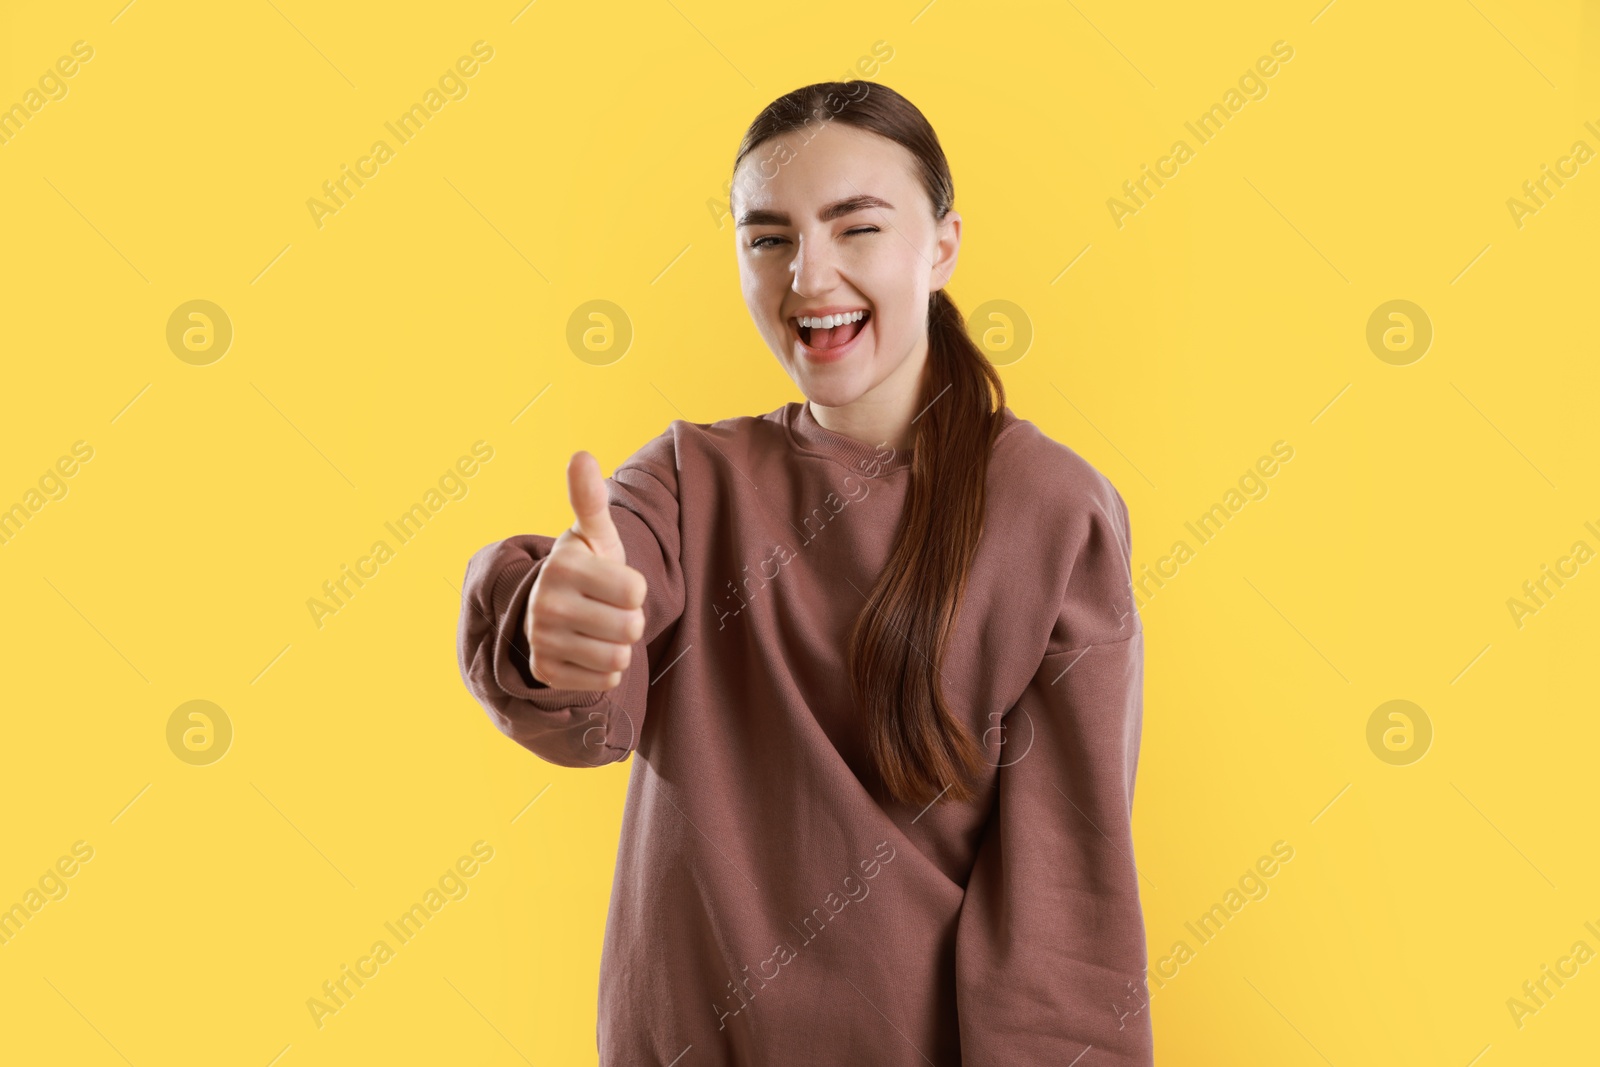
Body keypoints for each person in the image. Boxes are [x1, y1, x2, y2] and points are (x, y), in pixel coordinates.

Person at [456, 80, 1151, 1066]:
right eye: (767, 238)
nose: (807, 275)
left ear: (942, 245)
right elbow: (581, 702)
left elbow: (1063, 895)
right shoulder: (688, 479)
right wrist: (545, 622)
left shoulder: (1051, 507)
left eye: (855, 227)